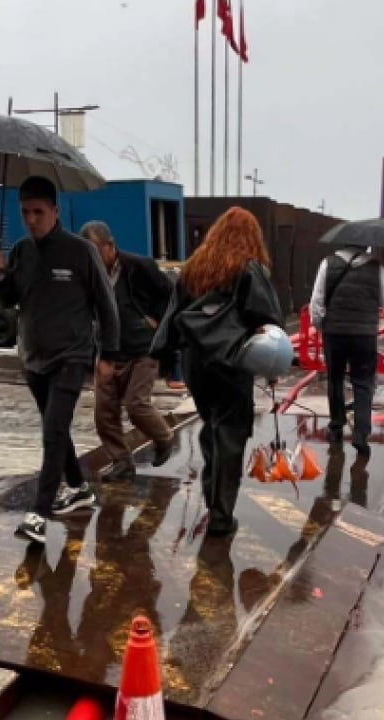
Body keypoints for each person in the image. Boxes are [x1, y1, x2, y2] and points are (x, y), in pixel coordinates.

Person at [0, 176, 120, 544]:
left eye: (39, 212)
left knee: (52, 432)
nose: (32, 219)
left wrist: (108, 354)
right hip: (33, 357)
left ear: (55, 211)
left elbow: (106, 306)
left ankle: (39, 513)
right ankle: (78, 488)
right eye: (25, 212)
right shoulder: (20, 251)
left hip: (72, 355)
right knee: (56, 428)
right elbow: (9, 301)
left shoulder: (80, 251)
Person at [152, 207, 284, 536]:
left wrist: (166, 359)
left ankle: (213, 497)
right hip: (232, 360)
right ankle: (221, 514)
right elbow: (268, 319)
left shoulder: (195, 267)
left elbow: (173, 314)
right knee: (232, 434)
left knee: (211, 424)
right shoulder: (249, 268)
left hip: (196, 362)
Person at [80, 221, 177, 482]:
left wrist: (155, 318)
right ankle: (121, 461)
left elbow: (170, 294)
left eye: (94, 250)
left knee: (135, 404)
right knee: (104, 413)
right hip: (108, 351)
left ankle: (163, 437)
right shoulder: (88, 276)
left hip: (143, 349)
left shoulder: (139, 266)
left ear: (109, 246)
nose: (90, 258)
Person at [309, 244, 384, 456]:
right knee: (364, 382)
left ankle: (336, 426)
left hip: (335, 332)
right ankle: (361, 433)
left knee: (336, 378)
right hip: (364, 335)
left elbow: (317, 301)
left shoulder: (328, 263)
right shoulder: (376, 267)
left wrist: (321, 325)